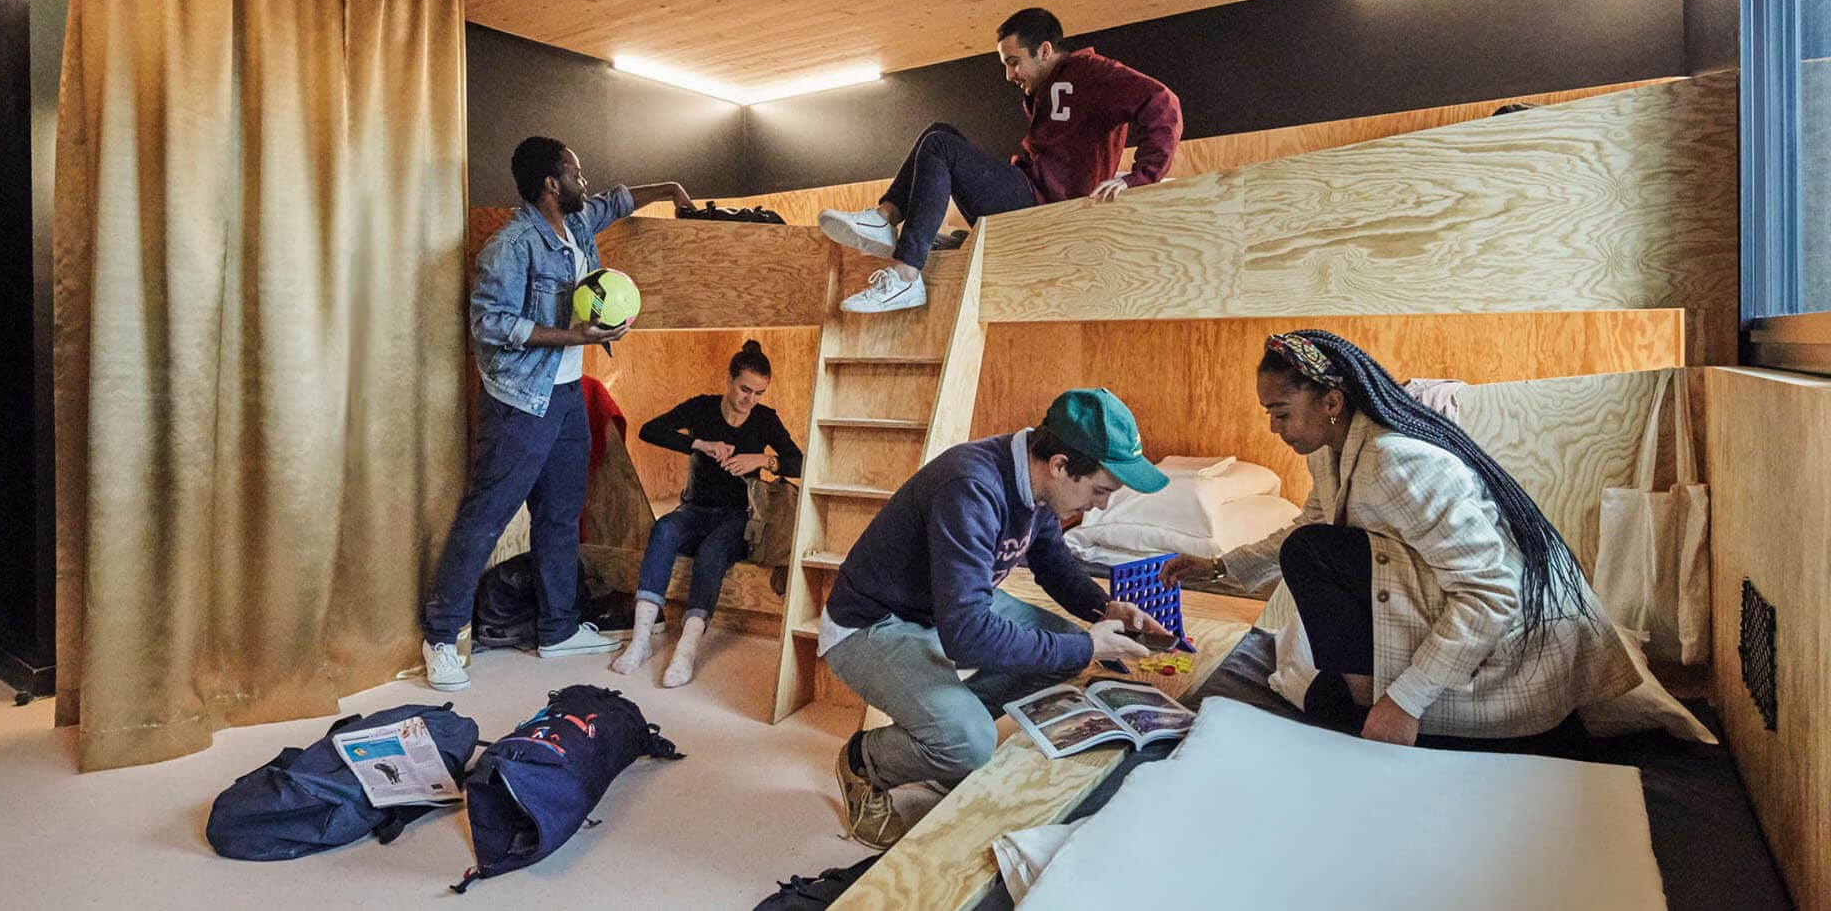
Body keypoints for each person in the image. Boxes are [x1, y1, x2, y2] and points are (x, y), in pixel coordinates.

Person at [1162, 331, 1640, 746]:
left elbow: (1492, 593)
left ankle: (1370, 704)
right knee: (1309, 558)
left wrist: (1405, 702)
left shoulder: (1398, 462)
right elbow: (1307, 527)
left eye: (1281, 412)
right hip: (1447, 607)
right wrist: (1219, 567)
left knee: (1312, 569)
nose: (1273, 427)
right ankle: (1362, 697)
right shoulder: (1331, 450)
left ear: (1331, 403)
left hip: (1512, 650)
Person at [823, 389, 1174, 849]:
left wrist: (1102, 609)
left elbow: (1052, 562)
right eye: (1100, 491)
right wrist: (1091, 647)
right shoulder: (971, 485)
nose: (1101, 506)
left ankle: (941, 742)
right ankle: (864, 762)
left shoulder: (1036, 485)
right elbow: (966, 636)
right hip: (872, 622)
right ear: (1061, 464)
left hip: (946, 610)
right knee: (970, 741)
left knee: (1059, 650)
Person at [420, 137, 696, 692]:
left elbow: (616, 200)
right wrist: (575, 335)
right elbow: (490, 325)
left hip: (569, 397)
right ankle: (442, 636)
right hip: (521, 402)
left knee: (560, 515)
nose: (584, 181)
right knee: (485, 517)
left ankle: (558, 629)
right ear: (552, 183)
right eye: (576, 171)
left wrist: (669, 190)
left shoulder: (577, 225)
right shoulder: (512, 245)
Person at [818, 7, 1182, 314]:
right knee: (939, 131)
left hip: (1043, 208)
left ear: (1043, 50)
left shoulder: (1090, 72)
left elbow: (1161, 102)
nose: (1010, 75)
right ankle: (885, 218)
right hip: (1027, 191)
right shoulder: (1051, 88)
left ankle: (907, 274)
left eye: (1013, 62)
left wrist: (1140, 177)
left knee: (942, 145)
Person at [611, 340, 804, 686]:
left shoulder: (764, 419)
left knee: (713, 549)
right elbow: (649, 430)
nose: (750, 399)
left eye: (759, 393)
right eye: (745, 389)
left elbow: (800, 460)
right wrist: (699, 444)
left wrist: (762, 460)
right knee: (665, 528)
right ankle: (640, 640)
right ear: (729, 380)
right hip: (695, 508)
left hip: (738, 515)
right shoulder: (702, 408)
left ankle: (687, 647)